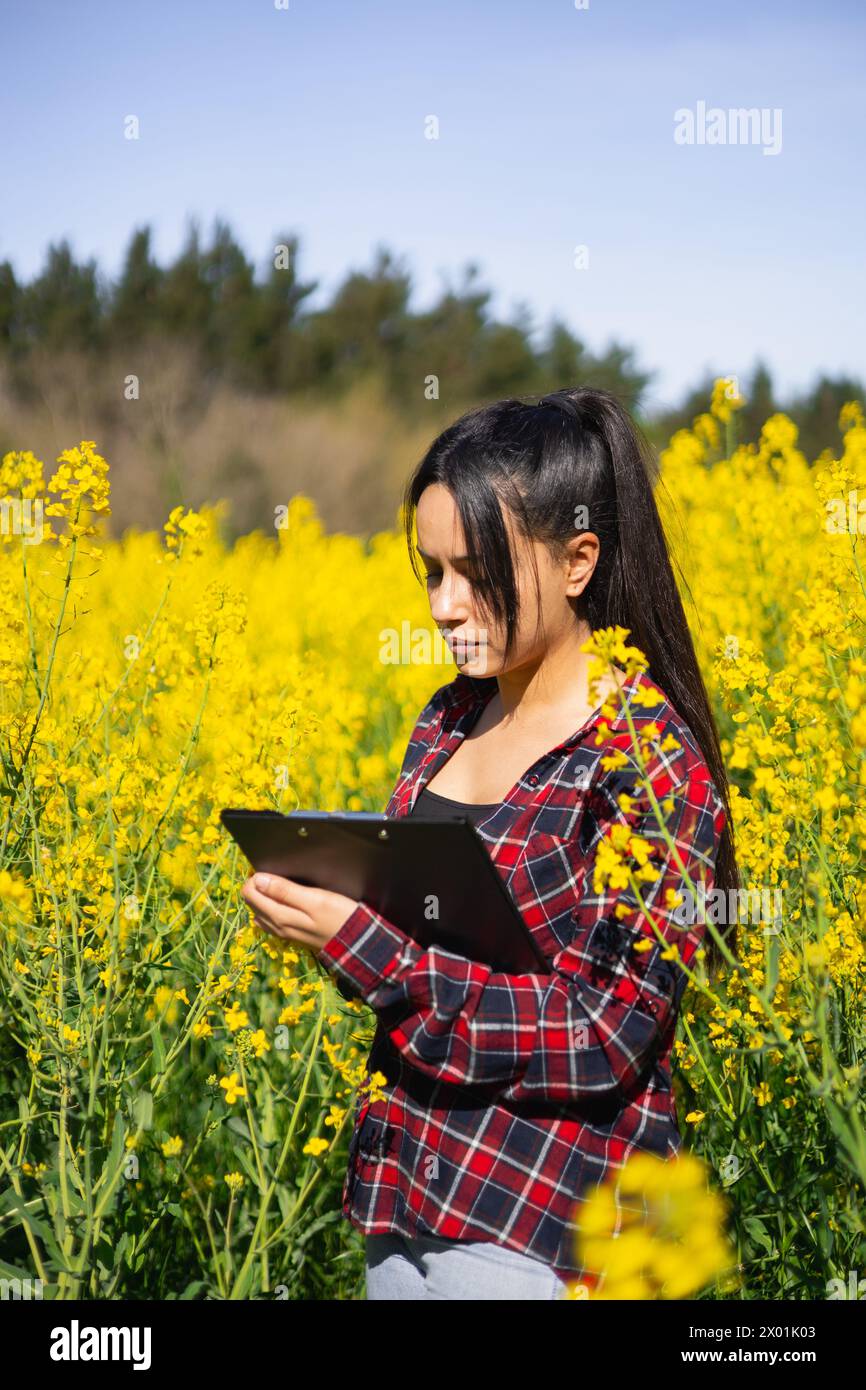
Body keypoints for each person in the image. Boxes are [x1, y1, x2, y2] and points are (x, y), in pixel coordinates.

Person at [242, 386, 739, 1300]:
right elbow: (423, 951)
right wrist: (322, 916)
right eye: (431, 572)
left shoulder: (649, 760)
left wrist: (365, 946)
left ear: (579, 559)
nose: (444, 605)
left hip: (546, 1227)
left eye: (476, 573)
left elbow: (605, 1033)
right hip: (407, 1192)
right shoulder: (447, 720)